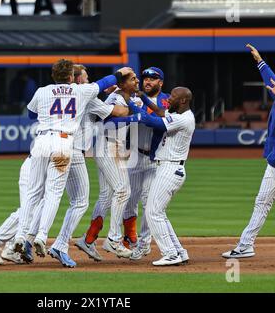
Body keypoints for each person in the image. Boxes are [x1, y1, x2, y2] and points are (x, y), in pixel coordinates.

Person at [0, 65, 130, 267]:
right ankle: (27, 238)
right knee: (52, 197)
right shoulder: (83, 92)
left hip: (41, 145)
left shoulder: (43, 91)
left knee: (35, 199)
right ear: (72, 78)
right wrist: (123, 79)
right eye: (84, 77)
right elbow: (107, 89)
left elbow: (31, 115)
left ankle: (20, 241)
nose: (87, 81)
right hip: (64, 146)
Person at [222, 44, 275, 259]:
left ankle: (245, 244)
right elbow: (271, 79)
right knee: (261, 202)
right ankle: (245, 245)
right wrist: (260, 60)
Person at [75, 70, 143, 260]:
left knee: (107, 194)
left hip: (112, 147)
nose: (137, 80)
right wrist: (131, 115)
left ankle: (88, 240)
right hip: (108, 146)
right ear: (122, 84)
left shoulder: (127, 96)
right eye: (132, 79)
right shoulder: (115, 97)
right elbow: (106, 120)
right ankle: (113, 240)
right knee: (123, 190)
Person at [128, 86, 194, 266]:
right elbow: (159, 112)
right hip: (170, 168)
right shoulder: (180, 115)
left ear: (182, 101)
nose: (168, 99)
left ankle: (170, 254)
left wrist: (130, 102)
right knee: (159, 212)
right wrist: (145, 99)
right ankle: (179, 251)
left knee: (153, 212)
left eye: (172, 96)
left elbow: (151, 121)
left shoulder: (184, 119)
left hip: (170, 169)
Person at [122, 67, 170, 260]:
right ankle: (131, 240)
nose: (148, 81)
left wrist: (134, 106)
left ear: (161, 83)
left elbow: (155, 118)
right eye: (145, 78)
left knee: (148, 202)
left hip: (154, 159)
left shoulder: (166, 99)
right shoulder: (134, 98)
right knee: (128, 201)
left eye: (153, 78)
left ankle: (143, 244)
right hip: (134, 156)